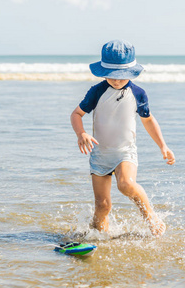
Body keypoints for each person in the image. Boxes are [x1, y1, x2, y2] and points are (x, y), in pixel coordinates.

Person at [70, 40, 175, 236]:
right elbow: (76, 114)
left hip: (125, 152)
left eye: (121, 76)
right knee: (103, 206)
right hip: (100, 155)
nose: (117, 80)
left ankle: (151, 216)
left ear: (131, 72)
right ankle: (98, 236)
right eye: (111, 75)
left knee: (125, 184)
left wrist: (163, 146)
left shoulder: (138, 94)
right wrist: (81, 133)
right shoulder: (97, 91)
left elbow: (148, 120)